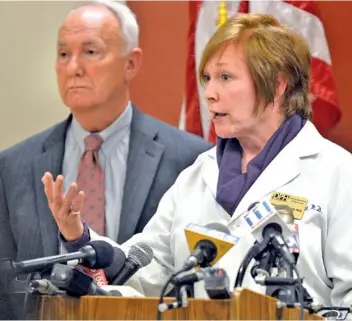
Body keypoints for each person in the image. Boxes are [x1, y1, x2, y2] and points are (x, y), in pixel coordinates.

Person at [47, 13, 352, 320]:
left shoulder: (334, 171)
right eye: (206, 78)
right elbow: (146, 274)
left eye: (225, 78)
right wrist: (83, 241)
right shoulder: (196, 176)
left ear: (277, 85)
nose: (210, 93)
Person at [0, 0, 211, 263]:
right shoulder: (13, 166)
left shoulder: (189, 159)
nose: (73, 68)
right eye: (63, 54)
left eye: (90, 51)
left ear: (131, 63)